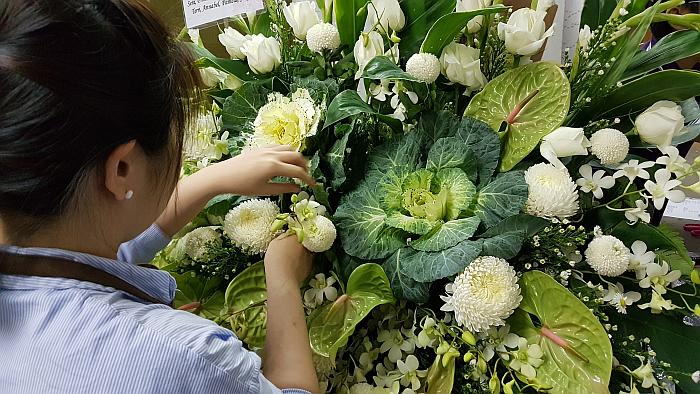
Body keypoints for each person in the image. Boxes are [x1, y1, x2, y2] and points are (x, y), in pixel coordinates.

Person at [0, 1, 320, 393]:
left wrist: (208, 181)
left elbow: (90, 253)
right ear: (121, 169)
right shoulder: (181, 355)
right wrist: (282, 277)